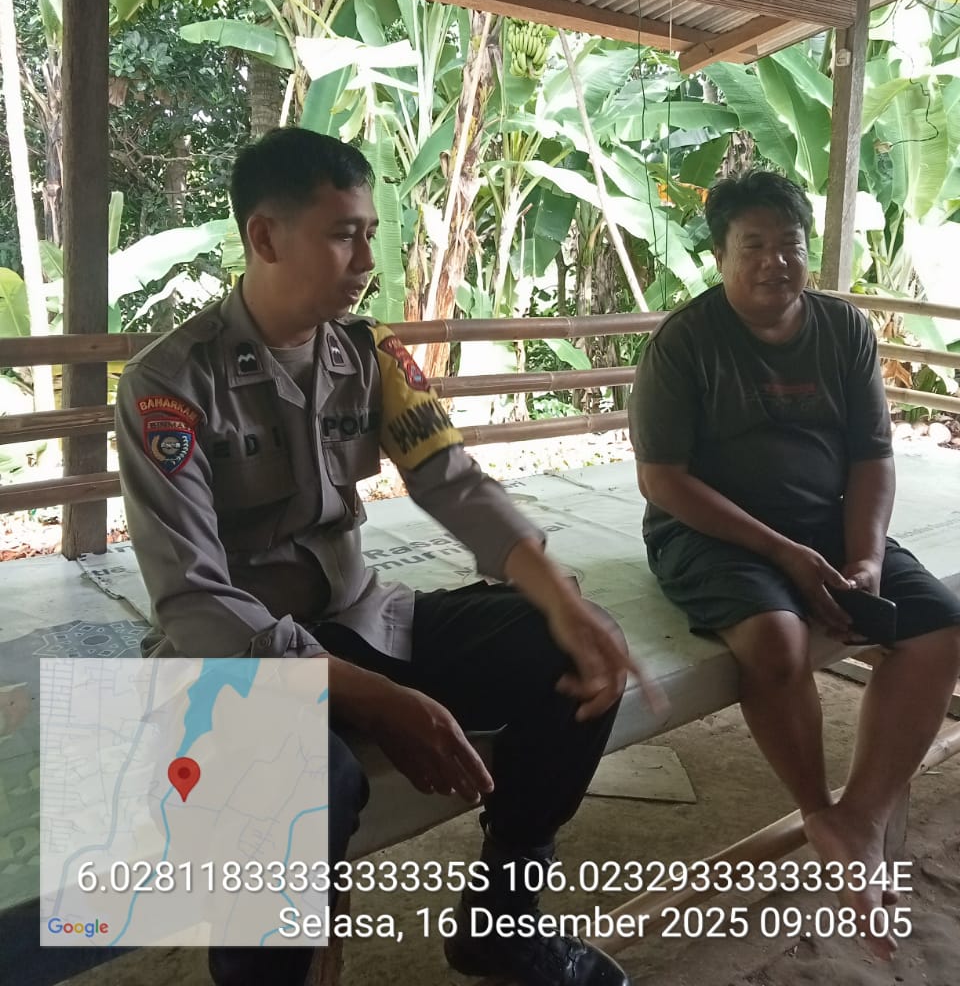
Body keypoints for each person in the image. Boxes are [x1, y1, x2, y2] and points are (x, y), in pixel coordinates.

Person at [116, 127, 648, 986]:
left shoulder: (369, 354)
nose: (367, 257)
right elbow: (193, 600)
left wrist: (559, 597)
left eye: (369, 232)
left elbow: (454, 482)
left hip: (360, 619)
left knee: (576, 648)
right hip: (235, 661)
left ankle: (505, 923)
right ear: (264, 237)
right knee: (297, 782)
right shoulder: (170, 383)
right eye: (343, 235)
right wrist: (378, 699)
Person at [629, 169, 960, 957]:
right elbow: (662, 479)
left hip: (826, 519)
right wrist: (787, 555)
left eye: (789, 244)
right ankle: (817, 807)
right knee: (775, 644)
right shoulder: (685, 343)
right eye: (753, 245)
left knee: (941, 631)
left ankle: (861, 817)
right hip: (707, 531)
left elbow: (872, 457)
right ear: (719, 256)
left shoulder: (844, 330)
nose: (774, 261)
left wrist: (864, 558)